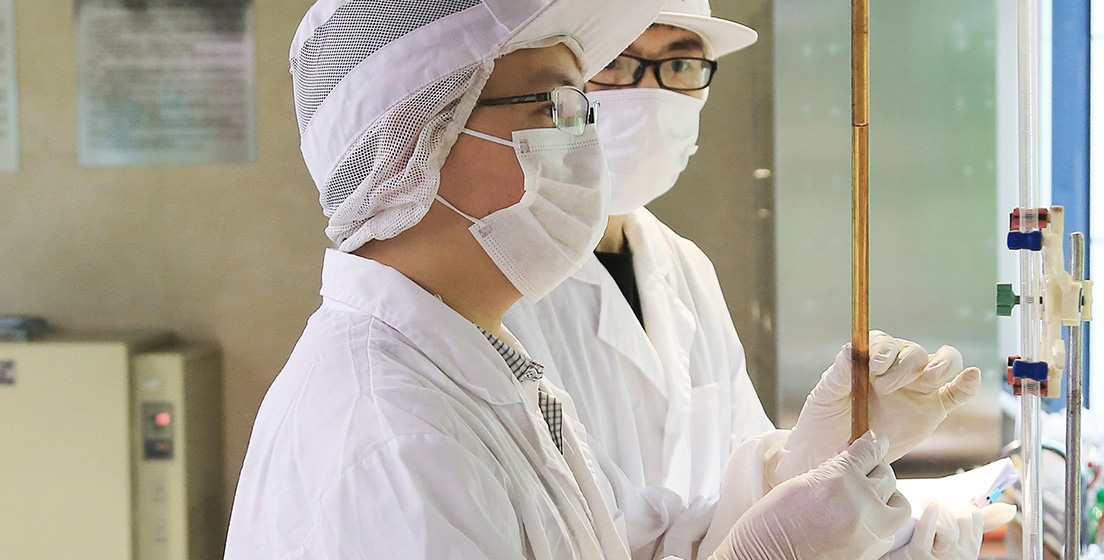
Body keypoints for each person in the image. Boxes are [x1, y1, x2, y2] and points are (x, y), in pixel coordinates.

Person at [228, 1, 924, 558]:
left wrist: (803, 469)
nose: (586, 140)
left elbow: (631, 541)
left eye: (580, 107)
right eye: (553, 109)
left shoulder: (483, 372)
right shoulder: (395, 441)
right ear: (417, 142)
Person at [502, 2, 1006, 559]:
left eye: (681, 64)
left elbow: (736, 513)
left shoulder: (685, 268)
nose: (649, 95)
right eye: (616, 63)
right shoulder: (500, 282)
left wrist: (827, 454)